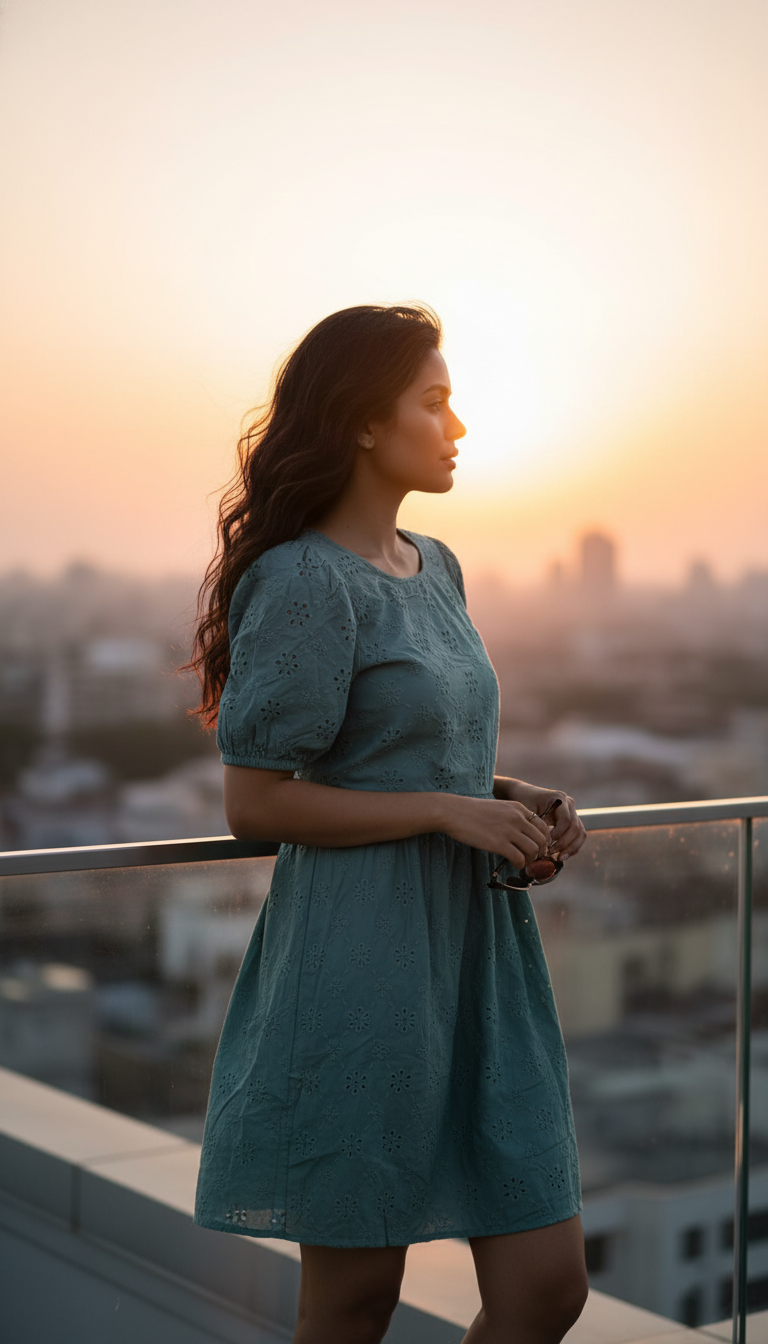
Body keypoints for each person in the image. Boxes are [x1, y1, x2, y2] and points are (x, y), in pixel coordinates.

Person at [190, 304, 589, 1344]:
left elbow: (416, 746)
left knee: (547, 1287)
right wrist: (447, 811)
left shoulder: (438, 565)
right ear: (366, 422)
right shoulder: (303, 581)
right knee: (356, 1302)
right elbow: (255, 801)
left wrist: (506, 798)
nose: (458, 426)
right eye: (436, 402)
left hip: (481, 954)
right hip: (361, 955)